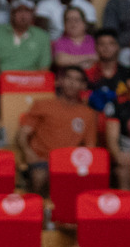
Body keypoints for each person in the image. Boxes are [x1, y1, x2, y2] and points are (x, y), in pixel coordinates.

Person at [16, 65, 97, 195]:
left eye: (77, 80)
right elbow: (22, 134)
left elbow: (90, 147)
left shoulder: (88, 113)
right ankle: (40, 211)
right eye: (68, 78)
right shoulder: (42, 105)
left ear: (83, 86)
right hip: (43, 161)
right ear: (60, 81)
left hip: (72, 164)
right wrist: (28, 152)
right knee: (39, 176)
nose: (71, 83)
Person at [0, 0, 52, 114]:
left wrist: (23, 83)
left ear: (32, 14)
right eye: (19, 11)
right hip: (1, 86)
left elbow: (44, 69)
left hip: (32, 87)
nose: (23, 15)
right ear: (12, 14)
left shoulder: (42, 37)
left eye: (27, 11)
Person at [86, 28, 129, 113]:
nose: (106, 47)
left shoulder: (128, 73)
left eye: (111, 44)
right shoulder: (88, 74)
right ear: (96, 47)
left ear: (117, 47)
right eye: (102, 44)